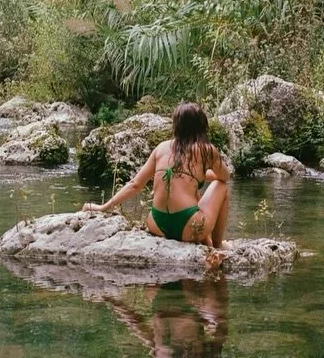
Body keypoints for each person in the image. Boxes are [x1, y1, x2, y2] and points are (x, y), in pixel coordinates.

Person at [82, 102, 231, 254]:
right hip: (190, 227)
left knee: (192, 192)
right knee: (221, 186)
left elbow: (135, 184)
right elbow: (224, 177)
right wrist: (202, 174)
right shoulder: (206, 150)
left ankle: (206, 241)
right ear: (201, 126)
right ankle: (218, 245)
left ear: (176, 125)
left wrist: (103, 208)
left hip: (157, 225)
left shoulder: (161, 147)